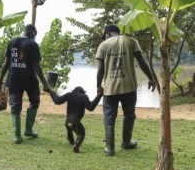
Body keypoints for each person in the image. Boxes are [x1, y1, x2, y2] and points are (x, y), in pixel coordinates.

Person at [96, 24, 156, 156]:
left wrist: (98, 86)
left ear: (108, 33)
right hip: (129, 86)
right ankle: (127, 142)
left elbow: (100, 68)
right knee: (129, 114)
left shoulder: (104, 45)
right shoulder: (131, 41)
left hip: (110, 88)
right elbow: (141, 61)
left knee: (109, 115)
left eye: (104, 35)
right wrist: (151, 78)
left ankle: (110, 148)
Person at [0, 24, 55, 144]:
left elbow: (6, 62)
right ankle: (28, 130)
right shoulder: (33, 44)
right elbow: (36, 66)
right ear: (32, 32)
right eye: (35, 35)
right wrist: (45, 84)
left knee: (15, 105)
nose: (35, 38)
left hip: (14, 79)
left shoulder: (12, 42)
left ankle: (17, 136)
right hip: (29, 80)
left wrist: (0, 79)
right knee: (34, 101)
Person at [49, 86, 103, 153]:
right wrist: (99, 96)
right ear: (83, 92)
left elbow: (57, 100)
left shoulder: (69, 95)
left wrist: (51, 92)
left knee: (70, 128)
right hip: (75, 121)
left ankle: (70, 139)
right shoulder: (83, 96)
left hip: (67, 121)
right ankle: (76, 145)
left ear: (73, 91)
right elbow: (91, 107)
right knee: (81, 134)